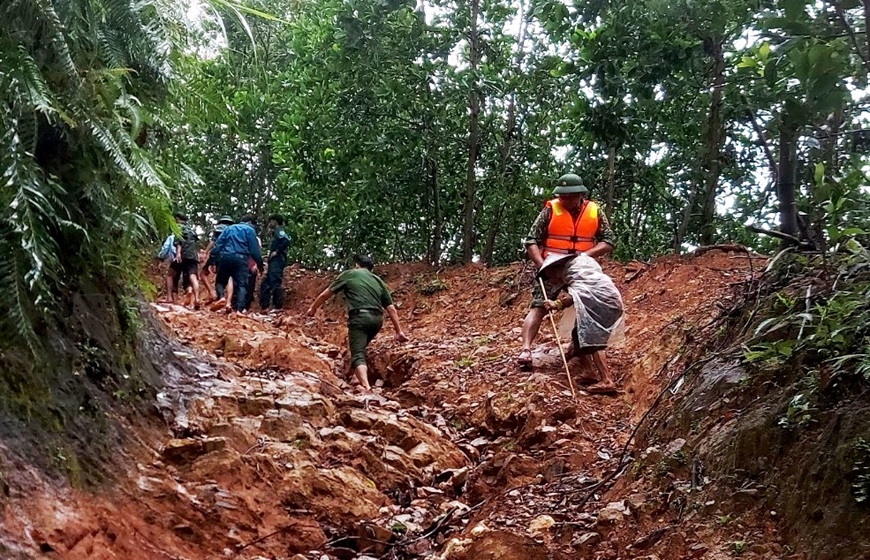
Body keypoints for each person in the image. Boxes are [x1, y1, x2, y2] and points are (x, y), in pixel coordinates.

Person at [518, 173, 615, 367]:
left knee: (586, 307)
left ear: (580, 194)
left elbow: (609, 241)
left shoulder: (595, 211)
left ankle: (579, 350)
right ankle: (526, 350)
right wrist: (541, 266)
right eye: (562, 195)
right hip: (552, 268)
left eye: (570, 195)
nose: (565, 199)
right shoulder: (550, 210)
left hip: (580, 269)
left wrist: (585, 256)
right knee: (538, 306)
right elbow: (531, 240)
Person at [306, 255, 409, 392]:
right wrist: (399, 331)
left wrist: (313, 308)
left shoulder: (350, 274)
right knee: (360, 347)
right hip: (377, 320)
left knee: (358, 354)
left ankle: (366, 387)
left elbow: (326, 294)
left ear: (357, 265)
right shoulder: (378, 281)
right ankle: (355, 377)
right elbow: (391, 309)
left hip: (360, 318)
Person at [536, 252, 625, 394]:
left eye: (550, 275)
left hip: (605, 303)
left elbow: (580, 293)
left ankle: (607, 380)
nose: (551, 279)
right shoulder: (578, 271)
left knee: (594, 341)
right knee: (578, 335)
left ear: (556, 268)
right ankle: (589, 372)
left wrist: (557, 304)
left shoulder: (577, 273)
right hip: (603, 303)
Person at [209, 213, 263, 312]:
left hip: (225, 257)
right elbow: (254, 251)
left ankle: (221, 297)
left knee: (220, 282)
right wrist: (260, 266)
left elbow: (217, 246)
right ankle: (239, 310)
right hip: (241, 259)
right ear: (250, 222)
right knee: (242, 285)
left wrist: (211, 261)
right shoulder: (250, 231)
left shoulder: (228, 229)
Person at [168, 212, 200, 308]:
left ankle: (171, 299)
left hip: (182, 255)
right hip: (193, 256)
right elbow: (195, 244)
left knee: (171, 275)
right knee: (193, 277)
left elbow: (179, 240)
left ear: (177, 219)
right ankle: (197, 298)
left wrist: (178, 253)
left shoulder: (178, 228)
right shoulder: (192, 230)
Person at [259, 214, 291, 311]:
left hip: (278, 261)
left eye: (271, 221)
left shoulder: (279, 231)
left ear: (275, 222)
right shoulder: (276, 232)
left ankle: (278, 306)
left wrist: (276, 252)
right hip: (274, 261)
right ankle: (265, 307)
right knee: (266, 283)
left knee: (275, 282)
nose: (269, 224)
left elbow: (286, 241)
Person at [204, 215, 235, 300]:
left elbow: (214, 242)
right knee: (229, 278)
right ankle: (228, 301)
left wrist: (206, 252)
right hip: (231, 255)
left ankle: (213, 293)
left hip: (218, 254)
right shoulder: (233, 230)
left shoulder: (219, 228)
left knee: (203, 273)